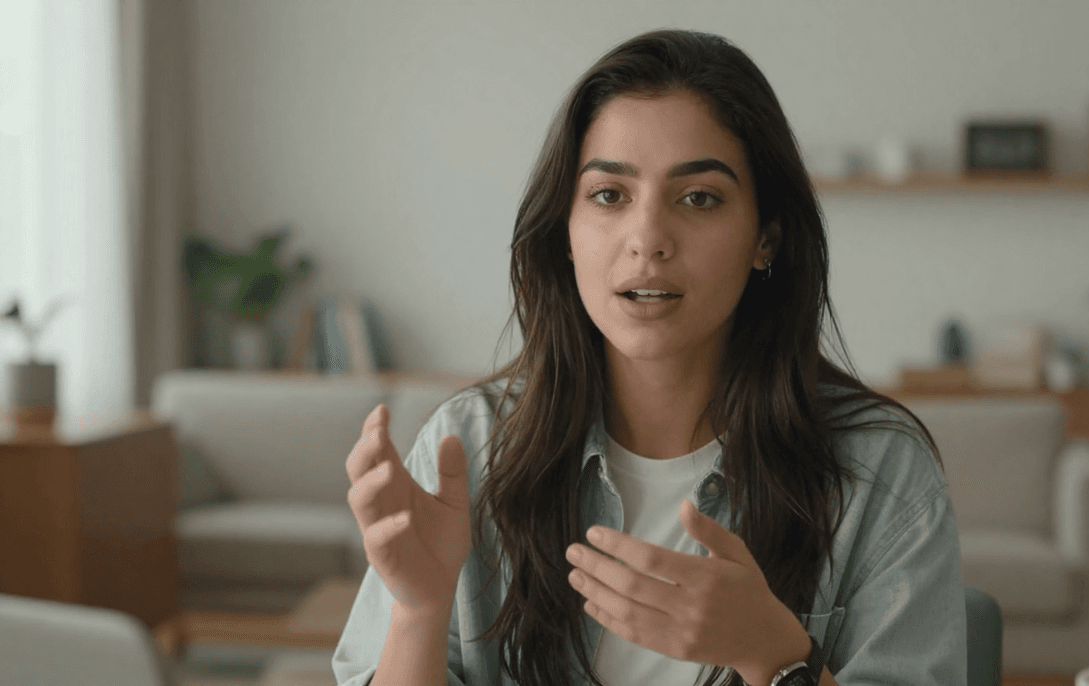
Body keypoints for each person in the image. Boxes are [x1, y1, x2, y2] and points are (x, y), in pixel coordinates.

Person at [334, 28, 966, 686]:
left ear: (766, 240)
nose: (648, 239)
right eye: (609, 195)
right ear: (567, 234)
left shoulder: (880, 472)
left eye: (699, 198)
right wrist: (420, 611)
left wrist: (775, 657)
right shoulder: (467, 448)